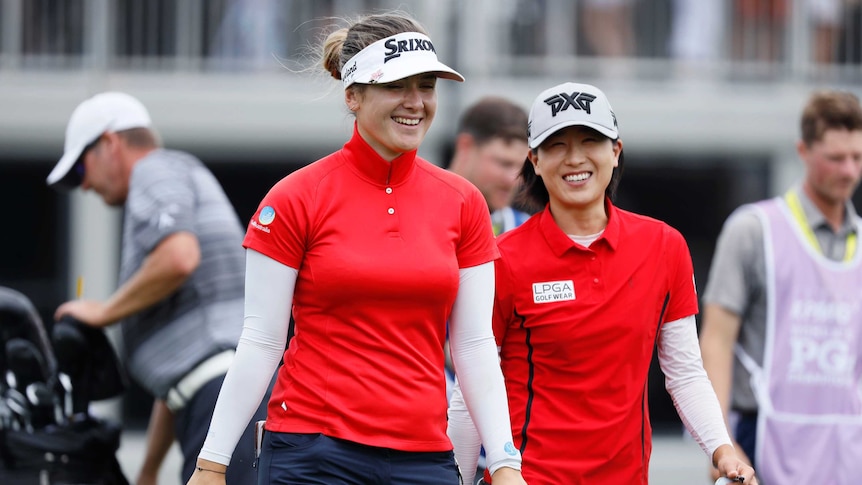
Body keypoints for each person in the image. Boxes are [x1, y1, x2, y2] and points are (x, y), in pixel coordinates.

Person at [187, 12, 526, 485]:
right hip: (311, 454)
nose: (416, 102)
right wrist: (211, 463)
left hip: (423, 457)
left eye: (426, 86)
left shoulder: (464, 202)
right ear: (353, 95)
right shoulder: (294, 197)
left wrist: (506, 461)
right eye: (396, 86)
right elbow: (262, 341)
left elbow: (472, 345)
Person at [448, 81, 757, 484]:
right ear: (535, 161)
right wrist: (453, 476)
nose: (575, 158)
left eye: (590, 141)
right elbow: (470, 390)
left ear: (615, 151)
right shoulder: (500, 258)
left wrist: (722, 450)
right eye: (556, 145)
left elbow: (684, 373)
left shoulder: (664, 246)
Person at [46, 91, 267, 484]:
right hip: (216, 399)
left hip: (222, 398)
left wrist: (104, 311)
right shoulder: (169, 178)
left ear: (110, 144)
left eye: (80, 171)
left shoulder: (155, 169)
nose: (84, 187)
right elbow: (181, 376)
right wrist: (148, 470)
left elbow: (179, 256)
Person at [700, 90, 862, 483]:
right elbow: (716, 341)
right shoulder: (753, 229)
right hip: (763, 439)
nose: (849, 171)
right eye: (835, 158)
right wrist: (719, 443)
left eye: (857, 157)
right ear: (803, 151)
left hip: (847, 444)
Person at [447, 96, 531, 237]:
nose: (513, 180)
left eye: (522, 168)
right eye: (504, 164)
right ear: (465, 146)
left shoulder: (526, 234)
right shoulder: (414, 212)